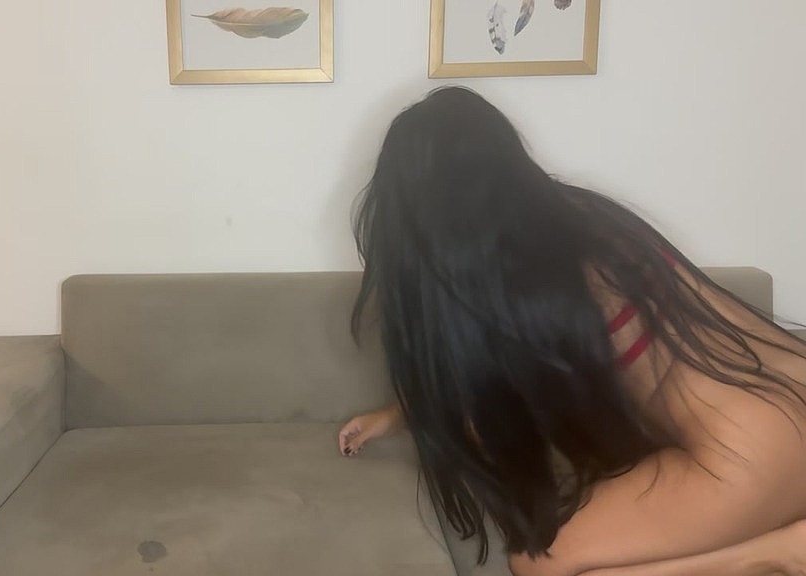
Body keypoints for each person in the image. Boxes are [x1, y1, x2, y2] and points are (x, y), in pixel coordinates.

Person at [338, 86, 806, 576]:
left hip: (754, 454)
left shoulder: (533, 275)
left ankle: (777, 553)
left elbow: (492, 402)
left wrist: (424, 412)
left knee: (539, 564)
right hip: (789, 399)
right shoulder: (577, 217)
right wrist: (401, 413)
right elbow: (486, 377)